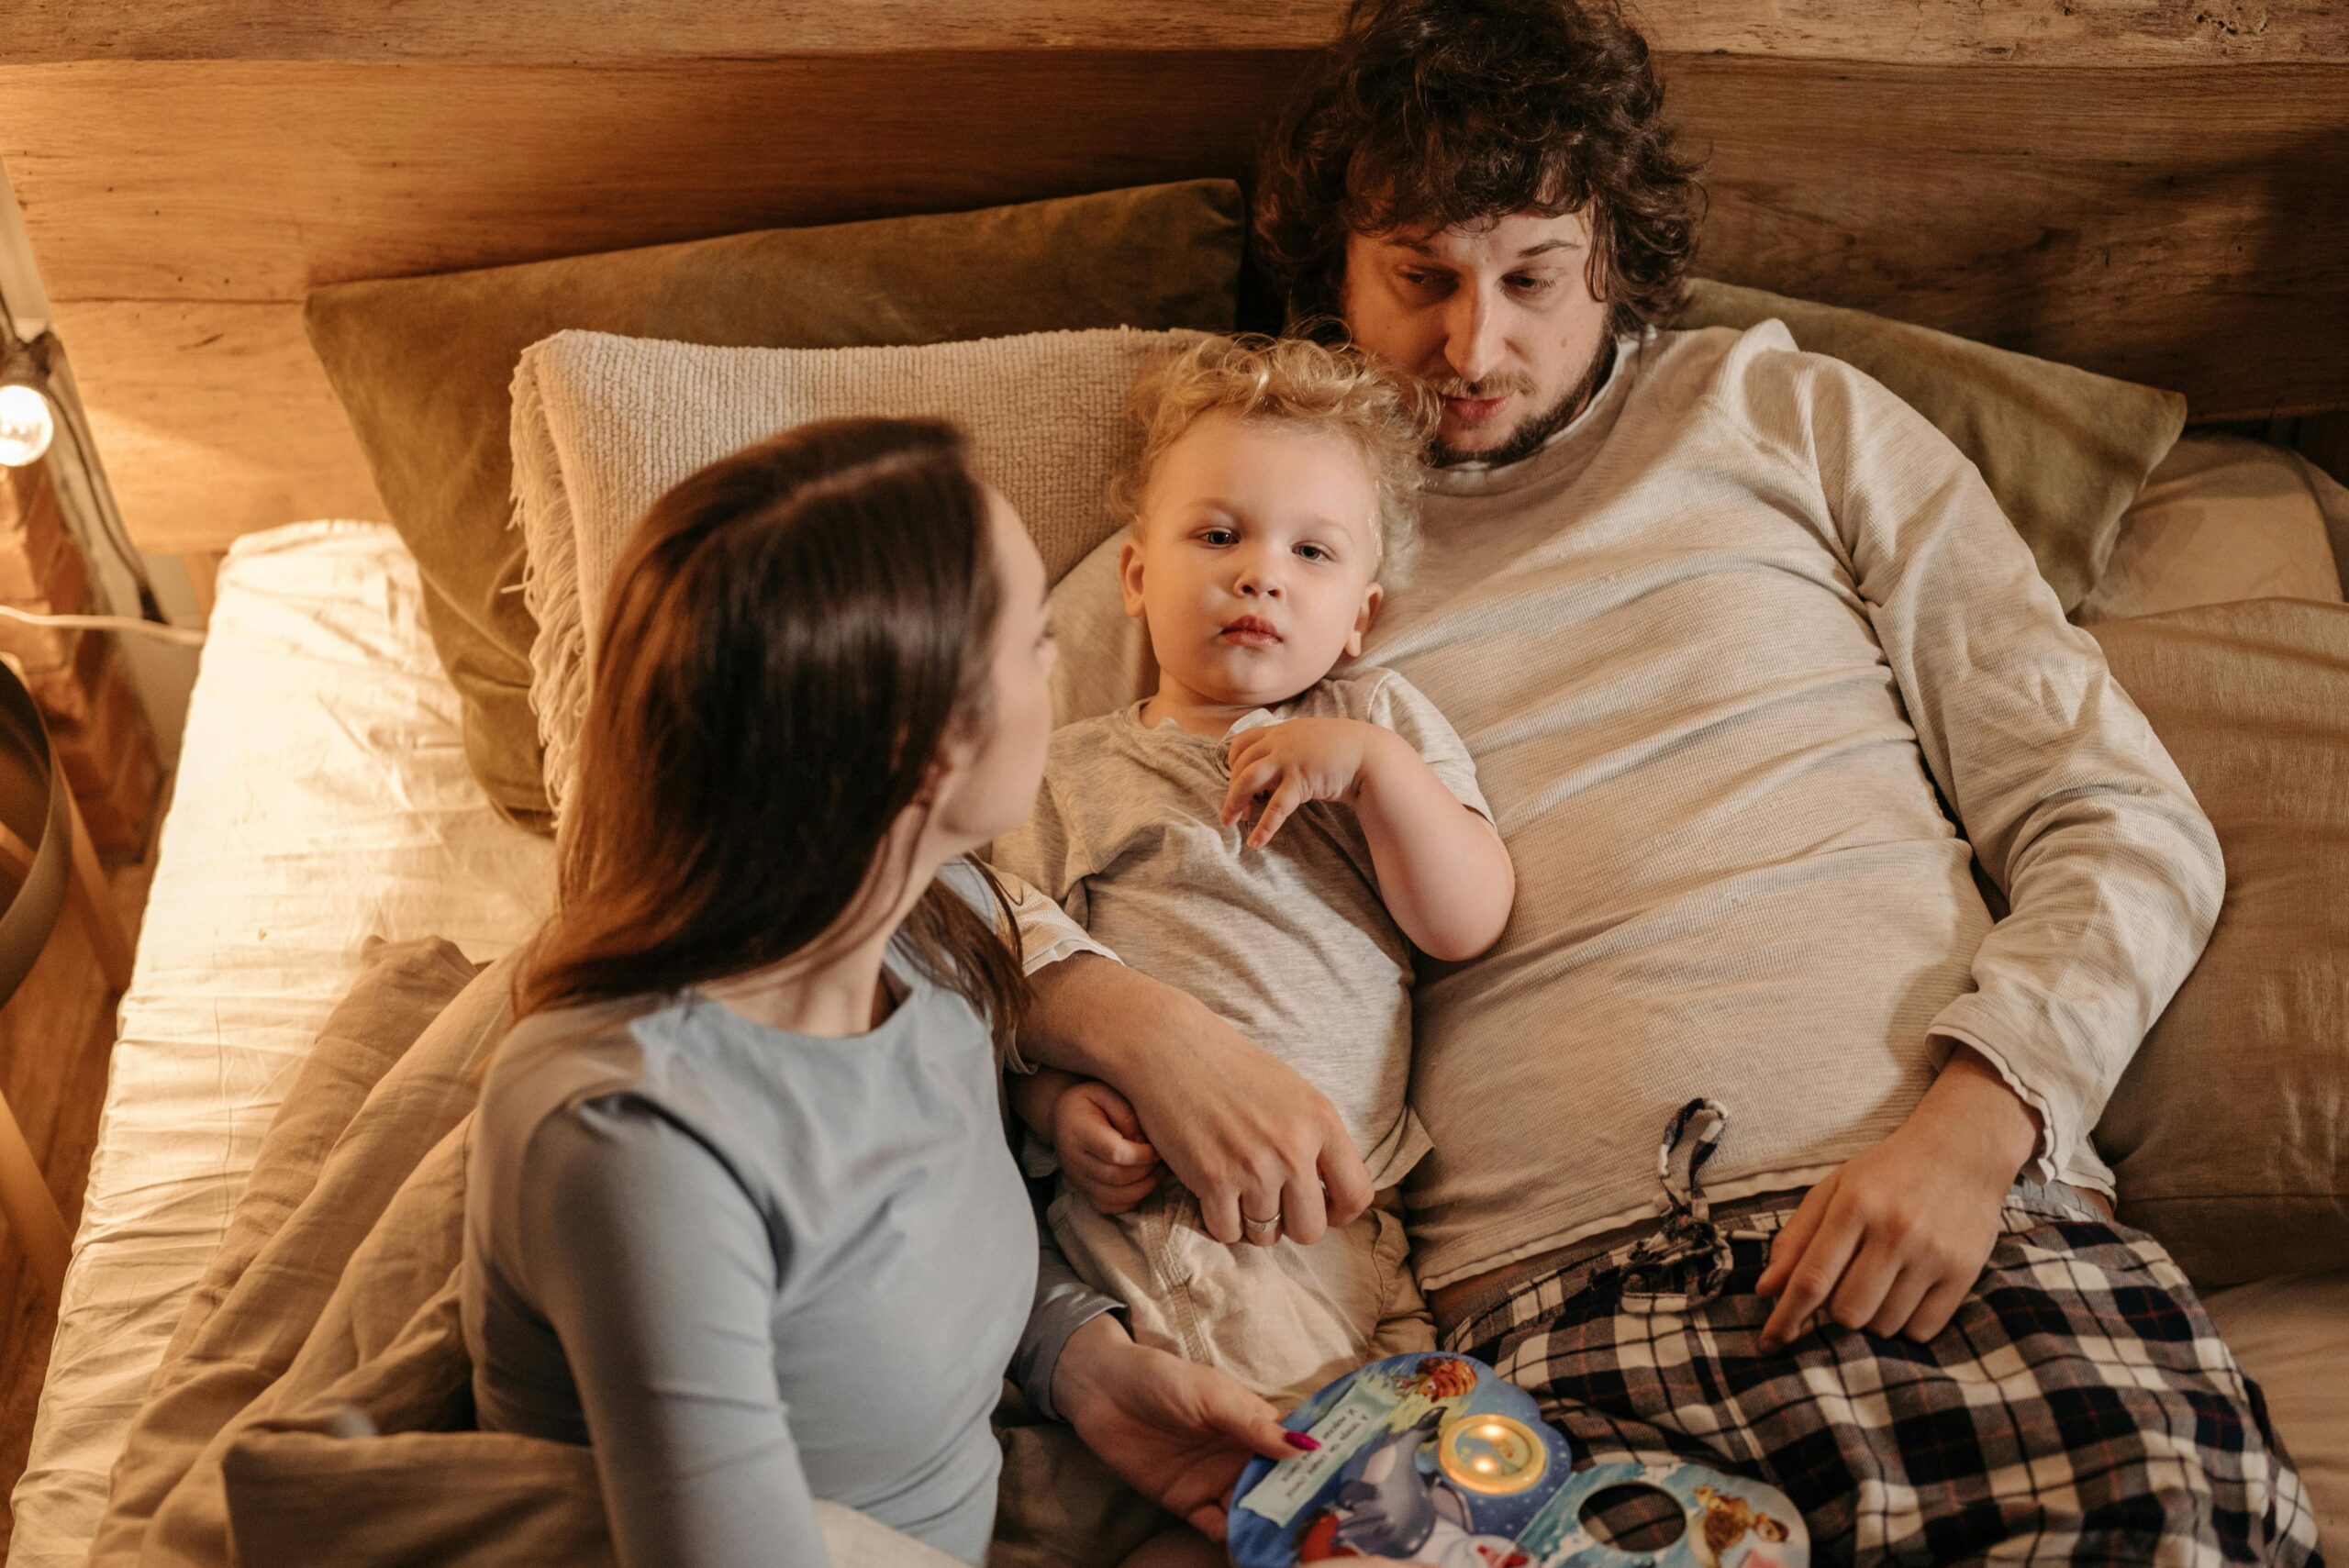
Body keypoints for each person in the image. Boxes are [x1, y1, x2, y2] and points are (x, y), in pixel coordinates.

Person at [1009, 1, 2325, 1562]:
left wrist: (1981, 1125)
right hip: (1533, 1336)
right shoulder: (1243, 519)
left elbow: (2117, 812)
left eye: (1533, 277)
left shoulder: (1790, 413)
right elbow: (929, 876)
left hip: (1945, 1226)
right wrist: (1109, 1017)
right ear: (1334, 272)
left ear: (1617, 255)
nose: (1473, 345)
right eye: (1418, 276)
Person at [457, 417, 1313, 1568]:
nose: (1061, 670)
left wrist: (1089, 1368)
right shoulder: (634, 1139)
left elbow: (899, 1268)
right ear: (921, 748)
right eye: (1035, 645)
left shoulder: (928, 943)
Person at [990, 335, 1515, 1565]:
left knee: (1373, 1492)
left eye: (1311, 554)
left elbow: (1468, 915)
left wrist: (1376, 779)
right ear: (1132, 576)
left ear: (1359, 615)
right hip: (1150, 1208)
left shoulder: (1378, 726)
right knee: (1250, 1486)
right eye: (1217, 537)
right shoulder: (1073, 771)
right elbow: (1003, 972)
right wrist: (1058, 1100)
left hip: (1341, 1221)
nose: (1259, 578)